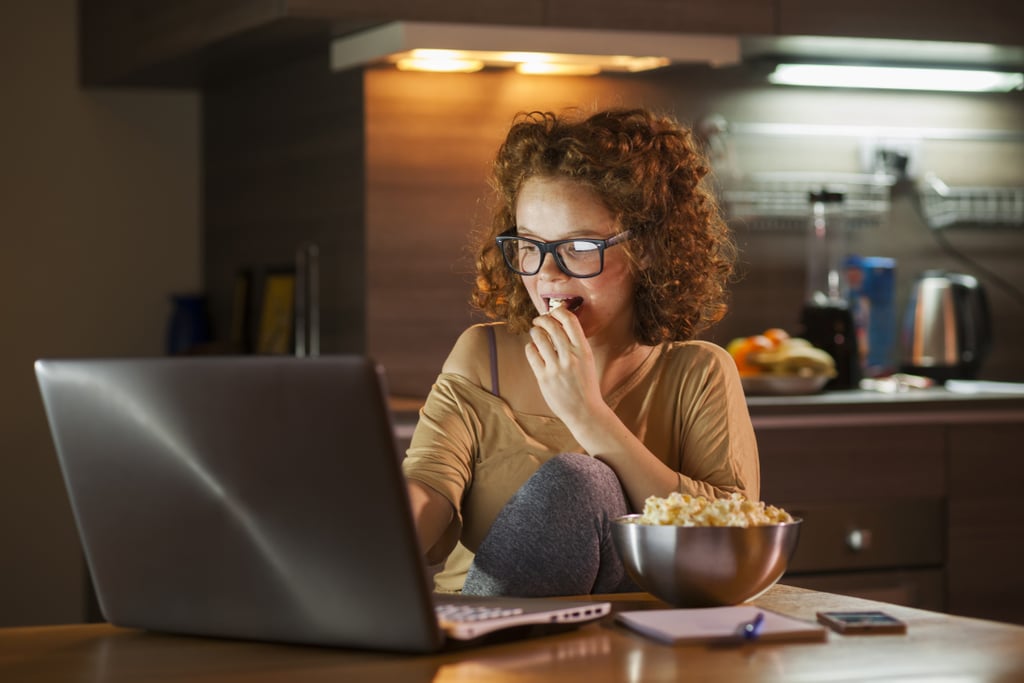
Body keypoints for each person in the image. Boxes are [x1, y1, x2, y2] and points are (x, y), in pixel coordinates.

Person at [402, 107, 759, 597]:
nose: (546, 274)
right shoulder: (481, 355)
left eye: (579, 246)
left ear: (648, 249)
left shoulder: (699, 373)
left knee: (582, 479)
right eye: (529, 245)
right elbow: (429, 487)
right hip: (470, 638)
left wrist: (586, 413)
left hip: (626, 649)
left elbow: (729, 542)